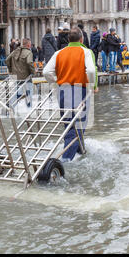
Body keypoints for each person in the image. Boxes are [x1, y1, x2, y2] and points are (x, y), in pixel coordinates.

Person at [43, 27, 97, 163]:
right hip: (80, 91)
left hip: (62, 91)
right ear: (81, 39)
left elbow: (46, 72)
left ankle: (78, 150)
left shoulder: (59, 53)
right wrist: (93, 85)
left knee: (68, 124)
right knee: (78, 125)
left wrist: (56, 82)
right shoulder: (86, 51)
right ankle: (66, 159)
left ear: (68, 40)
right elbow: (91, 70)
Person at [5, 38, 35, 107]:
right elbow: (29, 62)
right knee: (29, 93)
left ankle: (11, 108)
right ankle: (29, 110)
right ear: (28, 45)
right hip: (26, 77)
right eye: (30, 44)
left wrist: (11, 70)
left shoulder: (15, 51)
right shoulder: (28, 52)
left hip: (16, 77)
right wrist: (33, 72)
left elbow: (7, 60)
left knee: (17, 93)